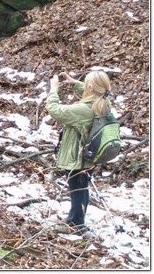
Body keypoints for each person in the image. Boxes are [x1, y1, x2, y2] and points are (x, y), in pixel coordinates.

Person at [46, 70, 112, 235]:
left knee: (76, 188)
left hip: (77, 157)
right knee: (82, 187)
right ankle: (77, 219)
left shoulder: (83, 110)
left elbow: (54, 109)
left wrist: (53, 89)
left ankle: (76, 223)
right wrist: (73, 82)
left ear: (90, 87)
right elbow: (91, 91)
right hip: (89, 156)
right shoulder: (104, 102)